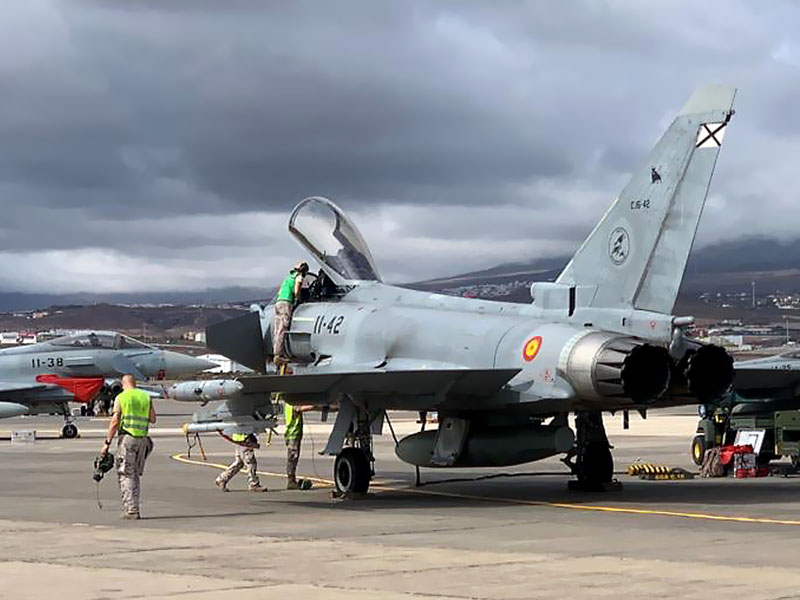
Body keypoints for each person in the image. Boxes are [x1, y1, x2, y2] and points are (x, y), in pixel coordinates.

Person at [100, 374, 156, 520]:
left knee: (126, 474)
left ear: (123, 384)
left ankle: (132, 510)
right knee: (135, 474)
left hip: (128, 439)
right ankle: (135, 507)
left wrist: (107, 443)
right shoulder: (145, 396)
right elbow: (153, 419)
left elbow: (115, 421)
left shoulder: (122, 397)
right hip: (142, 439)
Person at [272, 261, 309, 363]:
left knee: (277, 329)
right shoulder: (298, 277)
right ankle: (278, 355)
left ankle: (277, 352)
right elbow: (296, 291)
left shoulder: (287, 278)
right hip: (286, 303)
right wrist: (299, 300)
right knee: (283, 328)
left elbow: (279, 292)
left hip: (278, 303)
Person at [284, 398, 314, 489]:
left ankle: (292, 479)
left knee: (293, 457)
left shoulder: (288, 404)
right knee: (293, 457)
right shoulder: (292, 404)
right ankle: (291, 480)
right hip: (293, 434)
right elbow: (299, 409)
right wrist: (315, 406)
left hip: (292, 434)